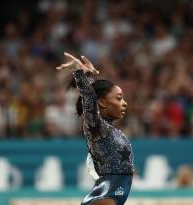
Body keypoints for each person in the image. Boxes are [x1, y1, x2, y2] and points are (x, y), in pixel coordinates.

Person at [56, 52, 134, 205]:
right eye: (119, 98)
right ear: (103, 103)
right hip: (106, 195)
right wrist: (79, 73)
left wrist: (89, 75)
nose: (124, 103)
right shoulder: (96, 127)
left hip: (112, 193)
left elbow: (93, 95)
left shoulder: (107, 128)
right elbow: (90, 98)